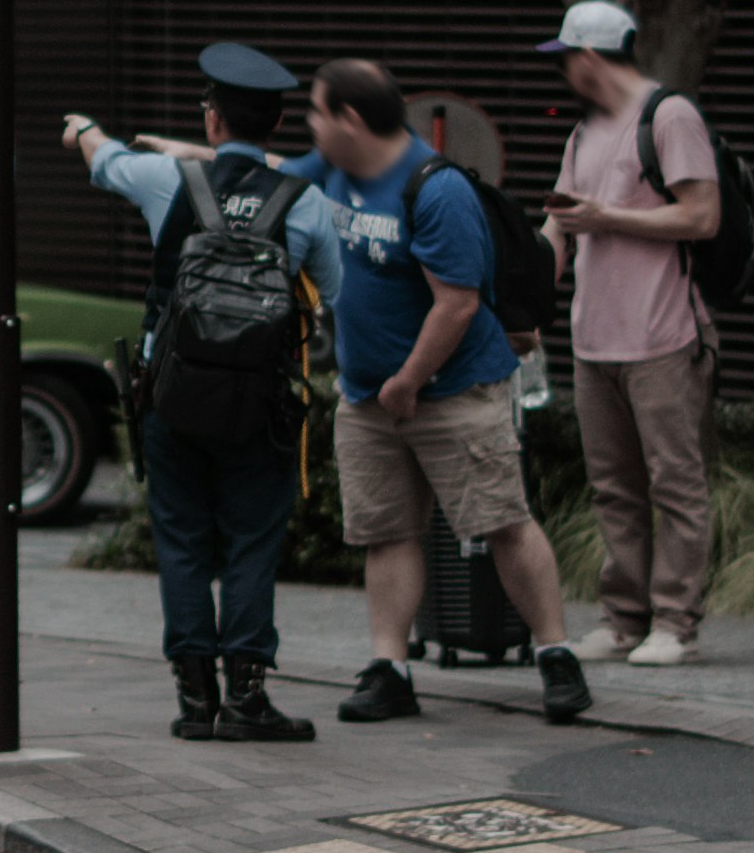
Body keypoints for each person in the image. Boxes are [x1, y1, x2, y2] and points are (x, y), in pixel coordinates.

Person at [63, 41, 346, 740]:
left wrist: (82, 127)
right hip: (260, 404)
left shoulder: (169, 180)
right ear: (276, 127)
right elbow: (332, 296)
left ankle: (194, 703)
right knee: (252, 542)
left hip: (174, 396)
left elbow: (101, 159)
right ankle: (247, 699)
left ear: (213, 120)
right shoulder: (304, 203)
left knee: (183, 542)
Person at [292, 59, 588, 725]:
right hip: (369, 396)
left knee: (503, 521)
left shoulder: (435, 188)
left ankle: (556, 657)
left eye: (316, 111)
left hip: (451, 389)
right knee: (387, 532)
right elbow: (261, 177)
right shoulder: (333, 168)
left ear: (350, 119)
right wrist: (180, 157)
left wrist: (407, 382)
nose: (309, 126)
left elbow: (456, 305)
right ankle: (389, 670)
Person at [536, 0, 722, 666]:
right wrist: (528, 300)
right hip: (594, 338)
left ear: (590, 58)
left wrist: (607, 216)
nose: (562, 73)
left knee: (674, 482)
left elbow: (703, 217)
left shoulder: (669, 117)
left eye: (564, 59)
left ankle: (674, 622)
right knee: (613, 487)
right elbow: (561, 220)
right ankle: (623, 620)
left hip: (663, 334)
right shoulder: (586, 130)